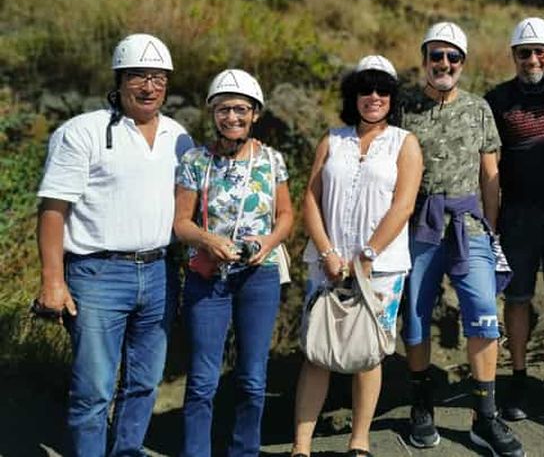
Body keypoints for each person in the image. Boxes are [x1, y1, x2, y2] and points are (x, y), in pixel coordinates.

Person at [35, 34, 193, 456]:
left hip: (159, 273)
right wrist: (53, 281)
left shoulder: (179, 138)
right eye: (139, 76)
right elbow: (53, 210)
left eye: (158, 77)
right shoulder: (81, 132)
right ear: (120, 80)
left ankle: (126, 451)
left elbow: (189, 211)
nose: (149, 86)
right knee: (94, 389)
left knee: (144, 383)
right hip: (97, 274)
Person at [401, 22, 525, 457]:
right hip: (418, 225)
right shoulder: (404, 106)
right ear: (425, 59)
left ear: (463, 63)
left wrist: (490, 228)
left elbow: (490, 173)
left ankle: (484, 417)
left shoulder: (478, 109)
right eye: (437, 56)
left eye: (453, 57)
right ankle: (421, 404)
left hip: (469, 224)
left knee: (484, 312)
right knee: (415, 318)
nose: (444, 64)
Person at [291, 55, 423, 457]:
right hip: (326, 264)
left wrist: (366, 255)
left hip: (380, 267)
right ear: (353, 95)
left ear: (392, 96)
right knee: (317, 351)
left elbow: (403, 206)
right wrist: (329, 252)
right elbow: (310, 200)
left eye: (383, 89)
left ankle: (359, 441)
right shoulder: (332, 140)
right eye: (365, 88)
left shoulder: (405, 142)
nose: (374, 96)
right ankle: (301, 446)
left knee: (368, 352)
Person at [173, 69, 293, 457]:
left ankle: (245, 451)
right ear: (212, 113)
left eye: (241, 109)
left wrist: (268, 241)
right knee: (203, 380)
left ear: (255, 113)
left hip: (259, 275)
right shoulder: (195, 161)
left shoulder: (272, 160)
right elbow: (181, 224)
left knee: (253, 379)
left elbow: (287, 215)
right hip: (208, 278)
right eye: (224, 109)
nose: (232, 117)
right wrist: (208, 240)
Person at [484, 17, 544, 426]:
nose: (533, 59)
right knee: (518, 299)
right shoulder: (498, 99)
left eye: (541, 51)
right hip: (517, 215)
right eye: (524, 53)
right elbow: (485, 157)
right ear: (514, 56)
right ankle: (519, 378)